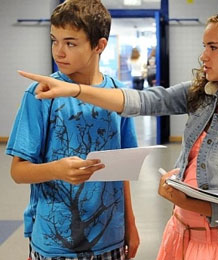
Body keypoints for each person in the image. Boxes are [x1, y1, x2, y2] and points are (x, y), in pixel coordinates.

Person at [19, 8, 218, 260]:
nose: (203, 56)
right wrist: (75, 90)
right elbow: (144, 101)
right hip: (181, 234)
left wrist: (183, 200)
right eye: (204, 46)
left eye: (213, 47)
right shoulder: (202, 96)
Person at [6, 0, 140, 259]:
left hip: (109, 239)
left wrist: (130, 225)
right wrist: (57, 170)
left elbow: (122, 171)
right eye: (54, 40)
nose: (59, 51)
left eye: (70, 43)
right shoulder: (41, 94)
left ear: (99, 45)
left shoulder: (118, 96)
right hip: (54, 243)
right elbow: (18, 172)